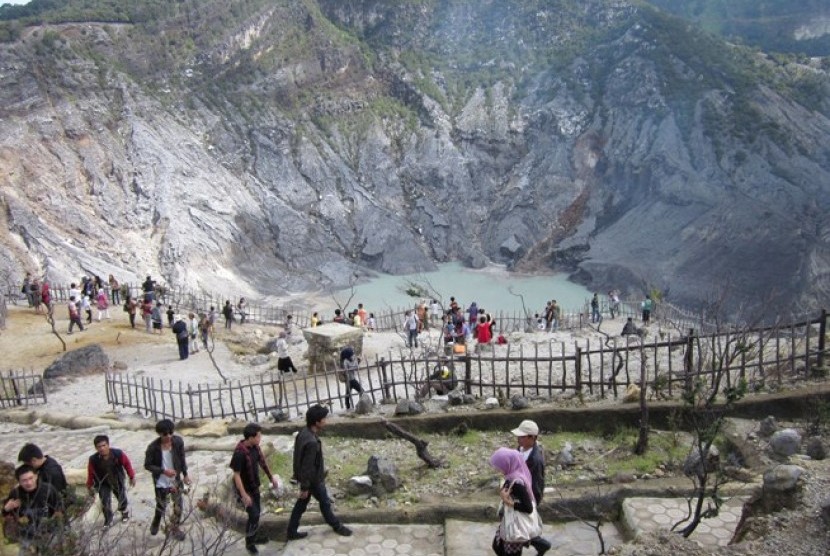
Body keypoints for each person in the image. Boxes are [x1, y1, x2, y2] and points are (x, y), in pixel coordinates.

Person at [287, 405, 352, 541]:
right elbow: (307, 466)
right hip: (313, 480)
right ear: (316, 422)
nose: (325, 421)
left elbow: (298, 457)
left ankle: (291, 531)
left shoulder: (303, 433)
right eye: (324, 419)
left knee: (301, 505)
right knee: (324, 502)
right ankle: (336, 526)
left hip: (307, 478)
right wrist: (305, 487)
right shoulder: (311, 442)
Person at [230, 423, 281, 554]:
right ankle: (249, 543)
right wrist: (243, 495)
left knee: (257, 513)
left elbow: (262, 462)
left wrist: (271, 478)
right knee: (253, 515)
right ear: (250, 438)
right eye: (258, 436)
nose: (260, 438)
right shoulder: (239, 453)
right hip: (244, 490)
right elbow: (236, 475)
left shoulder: (255, 447)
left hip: (254, 487)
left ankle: (254, 536)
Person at [144, 419, 190, 541]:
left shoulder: (178, 442)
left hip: (175, 480)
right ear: (159, 434)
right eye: (165, 434)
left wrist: (185, 474)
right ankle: (156, 521)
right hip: (161, 481)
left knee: (178, 505)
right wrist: (163, 471)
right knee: (161, 505)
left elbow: (182, 458)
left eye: (171, 433)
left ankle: (175, 528)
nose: (168, 436)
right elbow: (147, 465)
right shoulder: (153, 447)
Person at [511, 420, 552, 555]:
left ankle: (541, 544)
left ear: (532, 438)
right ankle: (540, 545)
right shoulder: (520, 449)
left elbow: (537, 485)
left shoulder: (535, 460)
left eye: (522, 437)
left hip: (526, 498)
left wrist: (531, 503)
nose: (518, 439)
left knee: (520, 527)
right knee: (520, 526)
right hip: (517, 493)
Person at [2, 464, 63, 553]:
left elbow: (60, 510)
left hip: (48, 533)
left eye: (31, 478)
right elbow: (6, 517)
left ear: (36, 476)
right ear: (19, 481)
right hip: (26, 535)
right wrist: (6, 509)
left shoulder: (48, 490)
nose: (29, 483)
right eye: (24, 480)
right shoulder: (15, 494)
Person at [490, 447, 537, 556]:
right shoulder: (510, 476)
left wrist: (508, 502)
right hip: (508, 522)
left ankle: (542, 545)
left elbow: (528, 508)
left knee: (509, 553)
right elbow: (506, 491)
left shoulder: (517, 483)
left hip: (515, 527)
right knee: (497, 546)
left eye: (499, 466)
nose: (497, 469)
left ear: (507, 464)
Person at [86, 435, 136, 528]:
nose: (102, 448)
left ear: (108, 445)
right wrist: (89, 486)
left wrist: (131, 476)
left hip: (116, 478)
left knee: (121, 496)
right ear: (96, 448)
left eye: (104, 445)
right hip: (102, 482)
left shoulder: (118, 454)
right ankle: (108, 519)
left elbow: (127, 464)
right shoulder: (93, 459)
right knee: (105, 500)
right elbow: (90, 472)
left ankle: (124, 512)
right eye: (99, 447)